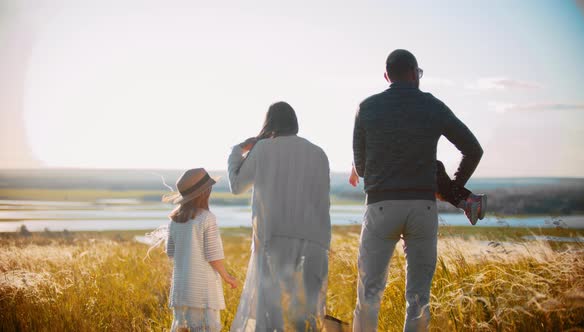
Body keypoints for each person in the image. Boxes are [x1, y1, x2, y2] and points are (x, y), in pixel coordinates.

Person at [352, 49, 483, 332]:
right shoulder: (432, 106)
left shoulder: (367, 107)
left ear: (387, 76)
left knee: (369, 294)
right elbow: (473, 149)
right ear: (414, 73)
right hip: (422, 207)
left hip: (380, 206)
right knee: (419, 298)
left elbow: (361, 167)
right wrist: (454, 188)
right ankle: (461, 197)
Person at [227, 101, 331, 331]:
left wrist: (237, 150)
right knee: (308, 314)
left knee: (272, 314)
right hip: (315, 242)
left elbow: (236, 186)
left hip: (274, 240)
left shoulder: (263, 149)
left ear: (269, 124)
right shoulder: (318, 153)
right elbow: (324, 201)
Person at [164, 168, 238, 332]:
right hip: (202, 287)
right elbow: (213, 256)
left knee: (183, 328)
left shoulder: (174, 220)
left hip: (181, 287)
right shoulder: (206, 218)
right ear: (205, 192)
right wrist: (227, 277)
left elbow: (170, 252)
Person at [349, 160, 487, 225]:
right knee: (438, 177)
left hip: (399, 183)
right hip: (423, 166)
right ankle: (470, 200)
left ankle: (468, 203)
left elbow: (361, 150)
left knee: (437, 182)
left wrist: (354, 169)